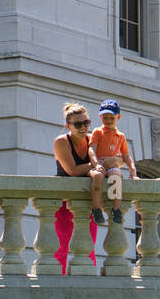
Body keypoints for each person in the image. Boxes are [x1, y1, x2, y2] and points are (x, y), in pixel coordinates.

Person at [53, 102, 98, 273]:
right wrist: (95, 163)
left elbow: (112, 161)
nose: (83, 127)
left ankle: (88, 286)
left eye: (86, 123)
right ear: (68, 126)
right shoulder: (61, 142)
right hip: (63, 202)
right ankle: (56, 287)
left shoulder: (93, 140)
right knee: (61, 248)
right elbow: (72, 171)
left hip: (87, 202)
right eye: (78, 124)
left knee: (89, 250)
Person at [88, 99, 138, 224]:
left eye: (112, 118)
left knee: (116, 177)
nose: (108, 121)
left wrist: (133, 170)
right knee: (98, 176)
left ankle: (116, 209)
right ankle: (96, 208)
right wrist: (96, 163)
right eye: (105, 118)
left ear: (118, 117)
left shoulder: (120, 136)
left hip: (112, 167)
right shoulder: (97, 132)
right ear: (100, 117)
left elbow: (126, 156)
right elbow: (91, 149)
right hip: (99, 165)